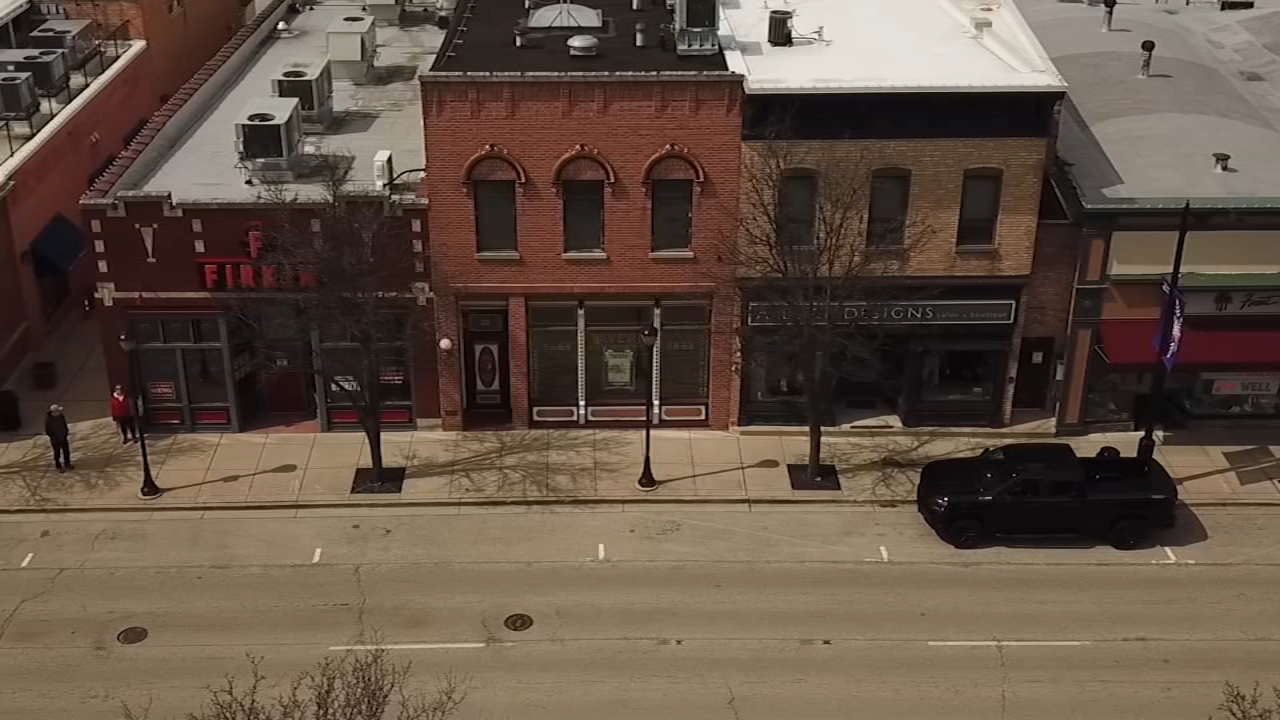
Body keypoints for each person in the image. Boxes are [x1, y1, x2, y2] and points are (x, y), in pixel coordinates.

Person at [44, 404, 73, 472]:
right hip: (55, 440)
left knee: (66, 451)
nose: (60, 411)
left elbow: (64, 424)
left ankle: (67, 464)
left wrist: (66, 433)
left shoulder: (61, 416)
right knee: (57, 453)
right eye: (58, 410)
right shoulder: (49, 420)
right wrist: (54, 437)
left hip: (63, 437)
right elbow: (48, 431)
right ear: (54, 412)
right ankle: (58, 466)